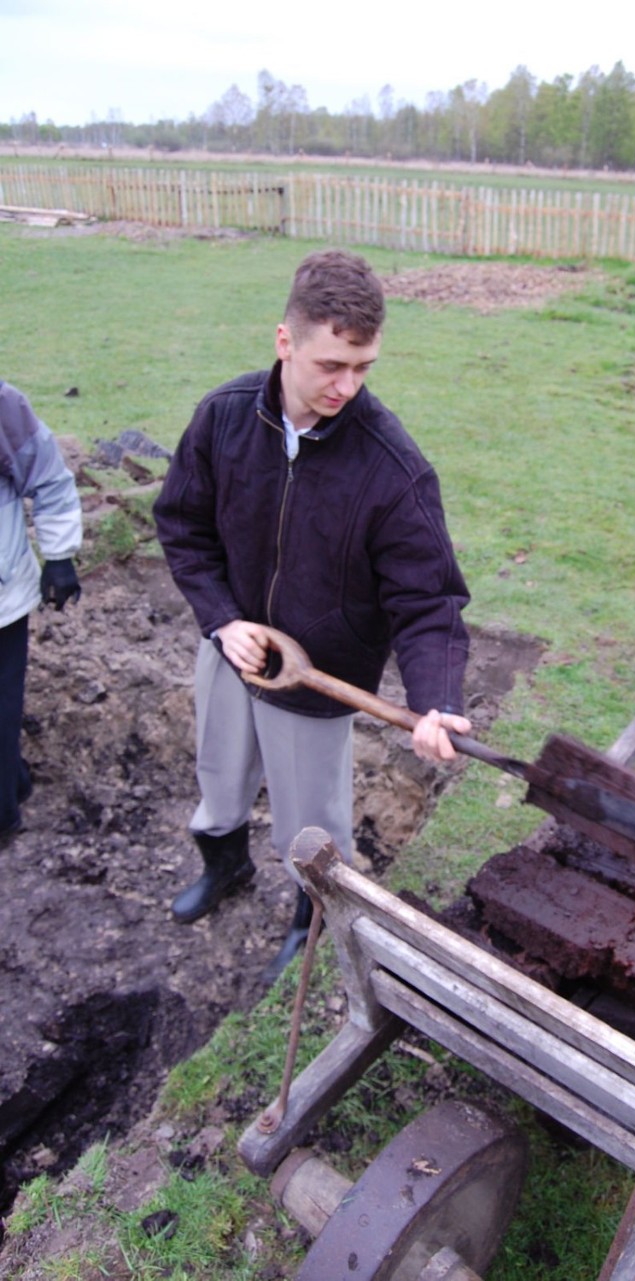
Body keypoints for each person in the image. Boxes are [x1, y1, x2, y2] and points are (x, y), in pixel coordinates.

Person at [154, 249, 471, 977]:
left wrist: (437, 699)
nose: (347, 387)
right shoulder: (224, 420)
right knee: (219, 776)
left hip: (320, 675)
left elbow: (429, 599)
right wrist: (222, 618)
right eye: (332, 365)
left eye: (363, 368)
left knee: (313, 822)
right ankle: (224, 865)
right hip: (232, 648)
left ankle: (312, 918)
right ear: (285, 340)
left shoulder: (392, 468)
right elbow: (182, 525)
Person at [1, 380, 82, 843]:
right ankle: (13, 781)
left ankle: (3, 815)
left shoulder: (3, 407)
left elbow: (49, 476)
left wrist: (59, 557)